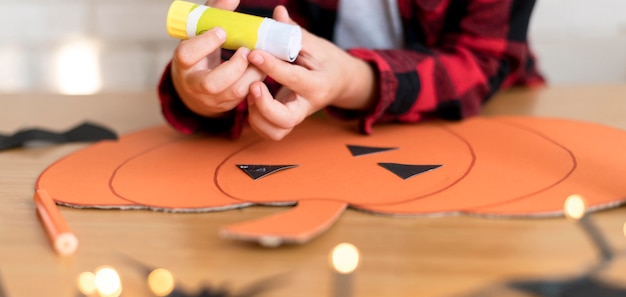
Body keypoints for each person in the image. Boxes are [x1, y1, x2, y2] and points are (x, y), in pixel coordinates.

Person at [158, 0, 544, 141]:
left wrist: (355, 80)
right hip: (322, 135)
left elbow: (478, 62)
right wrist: (202, 94)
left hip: (497, 119)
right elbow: (247, 56)